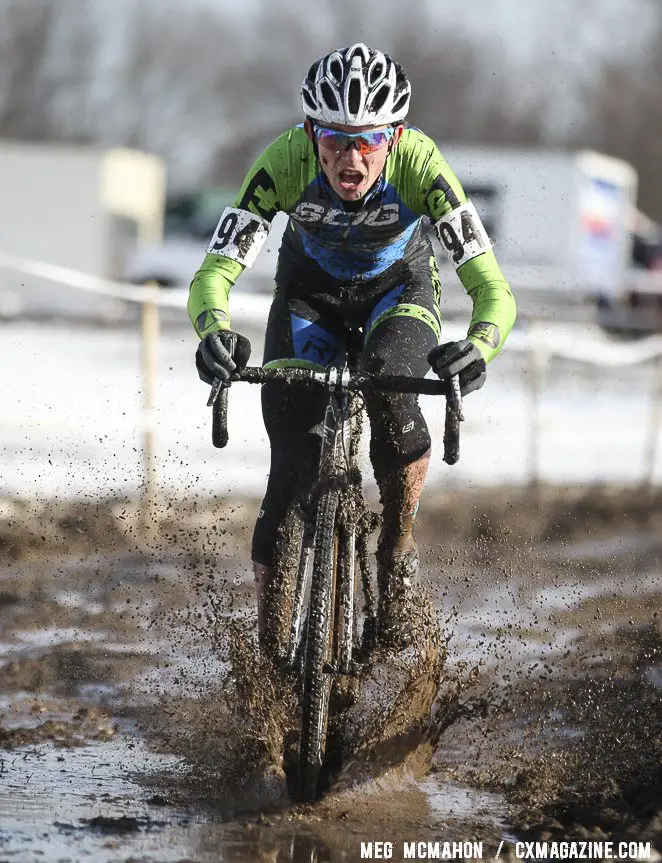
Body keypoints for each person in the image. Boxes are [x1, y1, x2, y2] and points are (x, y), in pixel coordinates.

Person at [189, 43, 516, 654]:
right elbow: (212, 276)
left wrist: (478, 346)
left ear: (395, 136)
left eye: (369, 139)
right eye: (336, 137)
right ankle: (268, 656)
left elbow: (494, 291)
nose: (351, 156)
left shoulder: (421, 166)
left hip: (398, 292)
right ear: (311, 131)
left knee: (392, 382)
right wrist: (213, 330)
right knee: (289, 467)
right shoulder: (284, 161)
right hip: (310, 297)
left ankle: (396, 542)